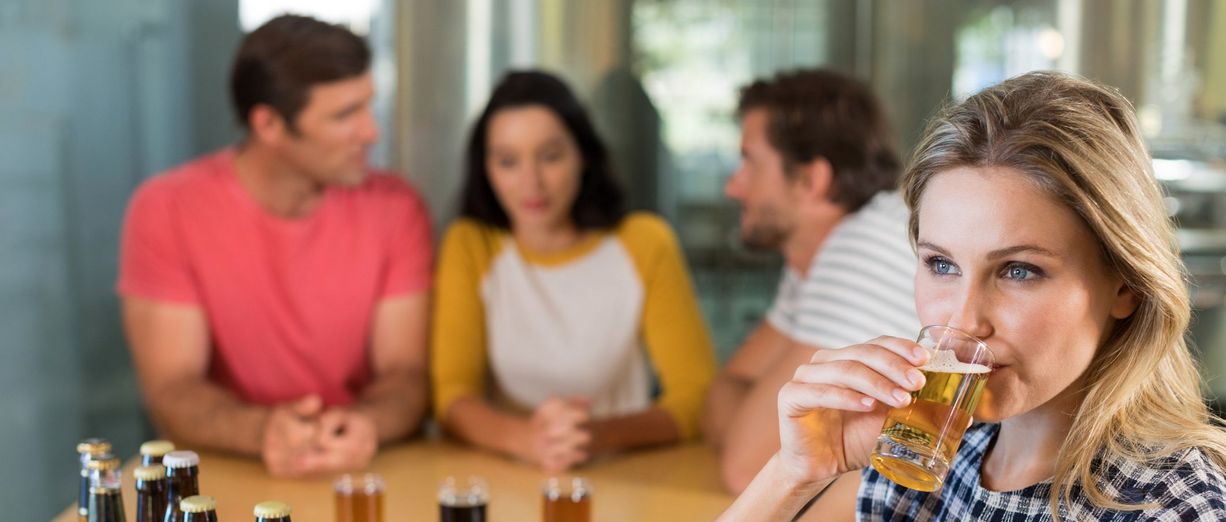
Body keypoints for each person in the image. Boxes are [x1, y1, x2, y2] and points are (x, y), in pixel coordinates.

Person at [615, 72, 1226, 522]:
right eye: (941, 264)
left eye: (1019, 270)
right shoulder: (917, 466)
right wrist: (792, 474)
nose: (962, 319)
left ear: (1123, 283)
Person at [117, 15, 433, 477]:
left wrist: (365, 424)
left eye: (369, 106)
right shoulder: (166, 209)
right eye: (345, 115)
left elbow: (406, 373)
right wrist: (264, 431)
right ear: (268, 124)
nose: (372, 132)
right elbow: (172, 388)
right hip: (227, 480)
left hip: (367, 475)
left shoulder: (396, 206)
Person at [431, 70, 716, 473]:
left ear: (582, 155)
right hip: (510, 477)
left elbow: (696, 397)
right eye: (508, 161)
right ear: (486, 169)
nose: (531, 182)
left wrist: (592, 436)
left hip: (627, 478)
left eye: (550, 156)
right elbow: (453, 396)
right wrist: (529, 441)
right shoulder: (470, 245)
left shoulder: (645, 242)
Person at [704, 69, 920, 494]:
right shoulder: (816, 254)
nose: (733, 186)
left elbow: (747, 472)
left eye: (749, 161)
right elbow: (726, 389)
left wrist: (757, 434)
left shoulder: (862, 248)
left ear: (810, 180)